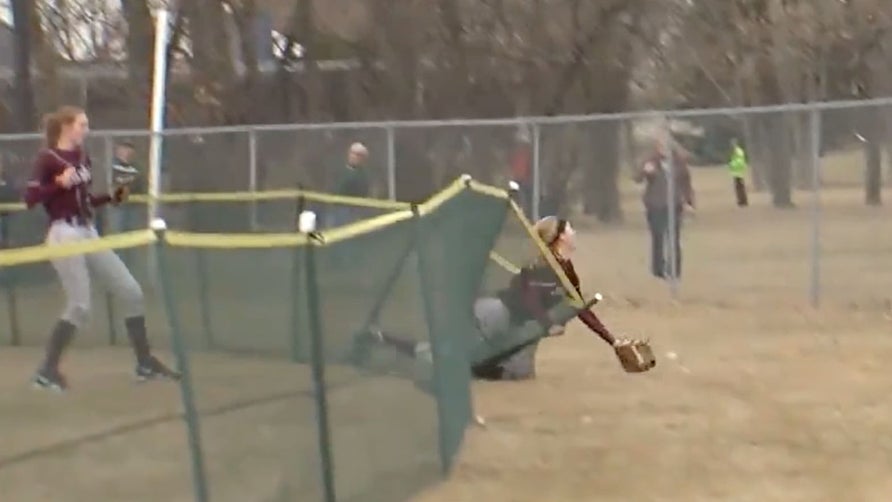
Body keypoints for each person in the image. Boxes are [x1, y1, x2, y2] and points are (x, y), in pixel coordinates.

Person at [354, 216, 628, 381]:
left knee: (516, 375)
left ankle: (476, 366)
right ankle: (379, 339)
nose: (574, 233)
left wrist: (613, 341)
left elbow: (580, 308)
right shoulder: (540, 265)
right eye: (569, 230)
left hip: (516, 329)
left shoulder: (565, 269)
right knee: (438, 358)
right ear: (558, 238)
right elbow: (530, 297)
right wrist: (548, 323)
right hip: (493, 317)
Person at [24, 106, 179, 392]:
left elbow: (84, 200)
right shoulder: (48, 158)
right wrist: (58, 184)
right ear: (67, 127)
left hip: (87, 230)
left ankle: (145, 363)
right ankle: (46, 372)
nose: (86, 129)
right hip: (64, 233)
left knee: (131, 291)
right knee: (80, 306)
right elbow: (31, 198)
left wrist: (110, 198)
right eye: (82, 124)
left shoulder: (83, 157)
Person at [634, 138, 695, 280]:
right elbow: (637, 178)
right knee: (658, 237)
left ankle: (674, 270)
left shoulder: (679, 163)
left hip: (674, 205)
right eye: (661, 146)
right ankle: (658, 270)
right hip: (655, 205)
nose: (664, 149)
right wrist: (645, 171)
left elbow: (686, 184)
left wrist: (690, 203)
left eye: (666, 146)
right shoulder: (651, 161)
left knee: (674, 238)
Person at [328, 142, 371, 228]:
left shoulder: (362, 175)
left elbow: (362, 193)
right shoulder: (340, 170)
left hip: (353, 211)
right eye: (353, 153)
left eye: (358, 155)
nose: (354, 157)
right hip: (337, 209)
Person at [728, 138, 748, 207]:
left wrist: (732, 164)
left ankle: (743, 201)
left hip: (739, 171)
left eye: (733, 143)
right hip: (736, 172)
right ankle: (740, 200)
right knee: (738, 187)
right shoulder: (734, 151)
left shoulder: (738, 151)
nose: (732, 145)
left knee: (740, 187)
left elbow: (740, 161)